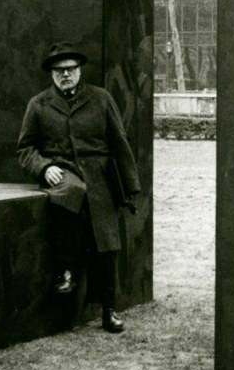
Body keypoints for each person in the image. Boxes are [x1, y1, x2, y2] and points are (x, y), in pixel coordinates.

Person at [17, 41, 141, 333]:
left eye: (71, 69)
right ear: (51, 74)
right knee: (72, 194)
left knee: (107, 246)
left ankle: (109, 310)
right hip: (64, 175)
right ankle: (65, 269)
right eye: (59, 70)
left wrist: (130, 185)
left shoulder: (101, 98)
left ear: (80, 70)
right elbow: (25, 149)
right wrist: (44, 167)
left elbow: (119, 142)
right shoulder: (38, 104)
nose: (65, 75)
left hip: (100, 178)